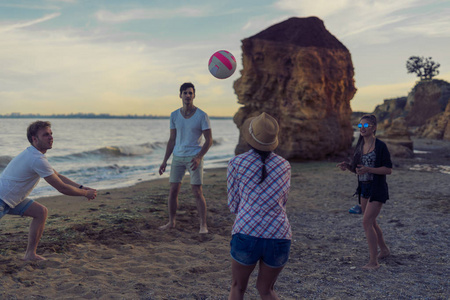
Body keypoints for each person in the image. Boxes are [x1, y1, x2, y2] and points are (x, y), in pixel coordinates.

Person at [0, 121, 97, 261]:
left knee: (40, 212)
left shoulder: (35, 156)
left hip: (12, 201)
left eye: (51, 134)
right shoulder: (36, 159)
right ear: (35, 139)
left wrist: (81, 187)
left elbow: (57, 175)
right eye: (46, 135)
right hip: (2, 200)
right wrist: (85, 194)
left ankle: (30, 254)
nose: (51, 137)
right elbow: (61, 187)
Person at [227, 112, 291, 299]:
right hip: (279, 234)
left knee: (238, 287)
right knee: (266, 290)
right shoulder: (285, 165)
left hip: (247, 232)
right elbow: (283, 200)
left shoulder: (236, 163)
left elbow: (233, 205)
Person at [337, 114, 392, 270]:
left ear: (374, 127)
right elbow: (358, 169)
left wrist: (370, 169)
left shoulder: (380, 146)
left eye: (365, 125)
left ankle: (373, 262)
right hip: (364, 188)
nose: (362, 128)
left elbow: (388, 169)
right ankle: (385, 250)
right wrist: (347, 166)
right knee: (372, 221)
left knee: (366, 222)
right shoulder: (359, 145)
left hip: (377, 188)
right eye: (360, 126)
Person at [158, 82, 212, 234]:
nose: (187, 95)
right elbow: (172, 139)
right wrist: (164, 161)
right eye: (185, 93)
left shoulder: (202, 115)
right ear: (180, 95)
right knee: (173, 190)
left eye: (190, 93)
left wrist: (199, 157)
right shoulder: (174, 115)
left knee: (197, 191)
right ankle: (171, 222)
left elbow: (209, 140)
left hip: (194, 157)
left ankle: (203, 225)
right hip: (178, 157)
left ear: (194, 95)